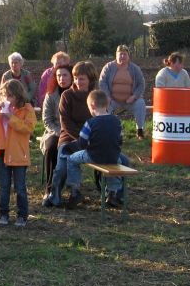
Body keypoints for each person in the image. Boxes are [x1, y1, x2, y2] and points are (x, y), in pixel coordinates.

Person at [44, 61, 97, 208]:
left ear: (90, 79)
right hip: (69, 138)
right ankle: (54, 194)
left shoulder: (96, 96)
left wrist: (92, 140)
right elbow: (66, 124)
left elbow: (99, 120)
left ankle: (112, 193)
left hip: (92, 140)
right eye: (76, 78)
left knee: (114, 159)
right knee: (62, 165)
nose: (77, 82)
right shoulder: (67, 96)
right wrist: (81, 141)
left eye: (82, 79)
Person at [0, 79, 36, 228]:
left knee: (20, 186)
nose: (7, 99)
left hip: (19, 153)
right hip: (2, 151)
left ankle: (22, 215)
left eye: (10, 96)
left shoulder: (27, 109)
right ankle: (3, 214)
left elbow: (29, 128)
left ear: (18, 96)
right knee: (4, 186)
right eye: (5, 95)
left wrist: (10, 118)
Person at [65, 90, 126, 208]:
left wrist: (71, 147)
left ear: (92, 105)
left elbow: (82, 143)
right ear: (107, 104)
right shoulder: (117, 121)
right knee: (116, 164)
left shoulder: (90, 123)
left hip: (93, 156)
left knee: (71, 159)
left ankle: (75, 190)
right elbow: (120, 141)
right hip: (113, 156)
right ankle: (112, 194)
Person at [98, 45, 147, 140]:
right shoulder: (108, 67)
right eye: (120, 54)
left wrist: (134, 96)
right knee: (104, 106)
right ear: (116, 55)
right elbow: (102, 82)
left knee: (141, 103)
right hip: (112, 99)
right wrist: (107, 96)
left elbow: (141, 84)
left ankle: (140, 130)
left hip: (130, 100)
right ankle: (108, 131)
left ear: (128, 56)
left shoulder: (135, 68)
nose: (122, 57)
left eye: (125, 54)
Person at [39, 65, 73, 199]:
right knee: (52, 146)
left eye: (65, 75)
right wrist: (60, 132)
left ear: (71, 77)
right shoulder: (51, 95)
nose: (61, 78)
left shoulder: (77, 93)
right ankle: (50, 189)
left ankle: (73, 188)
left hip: (75, 132)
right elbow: (47, 120)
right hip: (55, 131)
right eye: (58, 75)